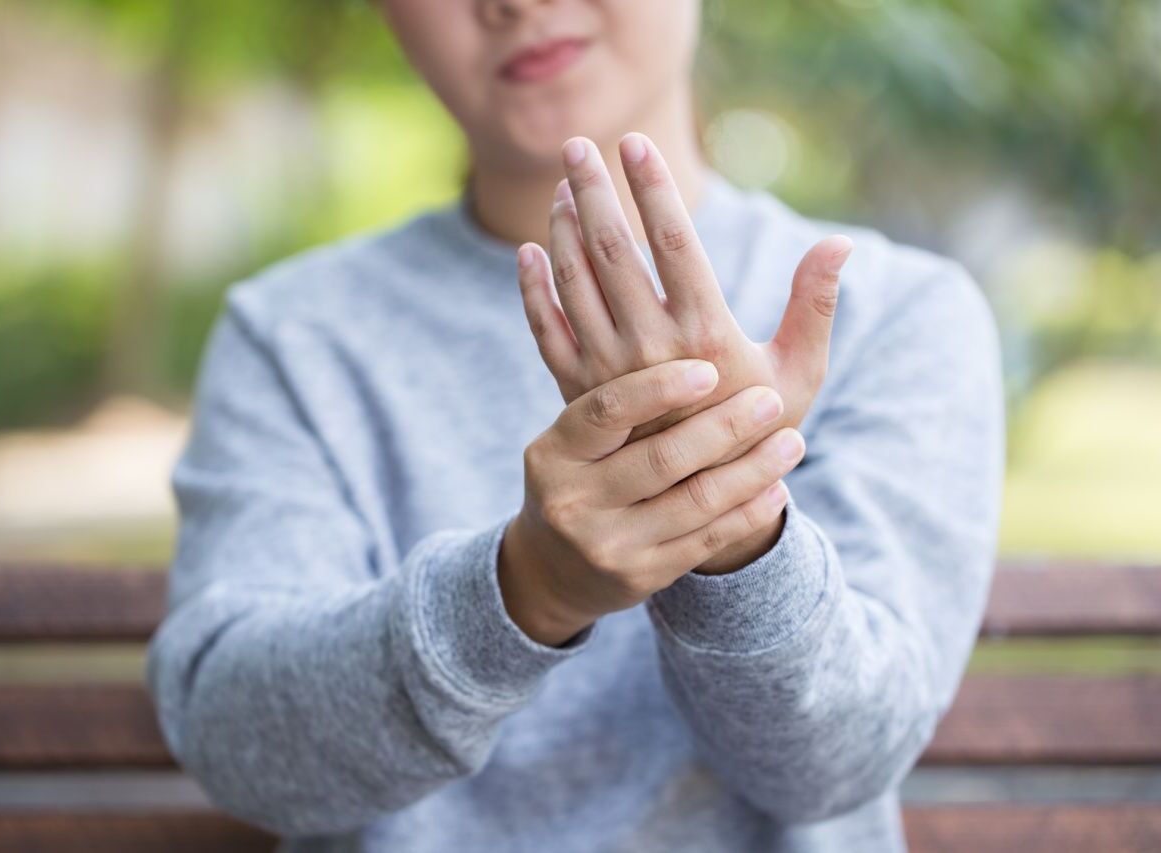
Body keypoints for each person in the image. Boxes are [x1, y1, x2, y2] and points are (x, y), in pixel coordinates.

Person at [146, 1, 1005, 851]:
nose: (513, 4)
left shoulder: (888, 312)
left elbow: (837, 766)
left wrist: (734, 531)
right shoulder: (291, 335)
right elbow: (239, 747)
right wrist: (524, 589)